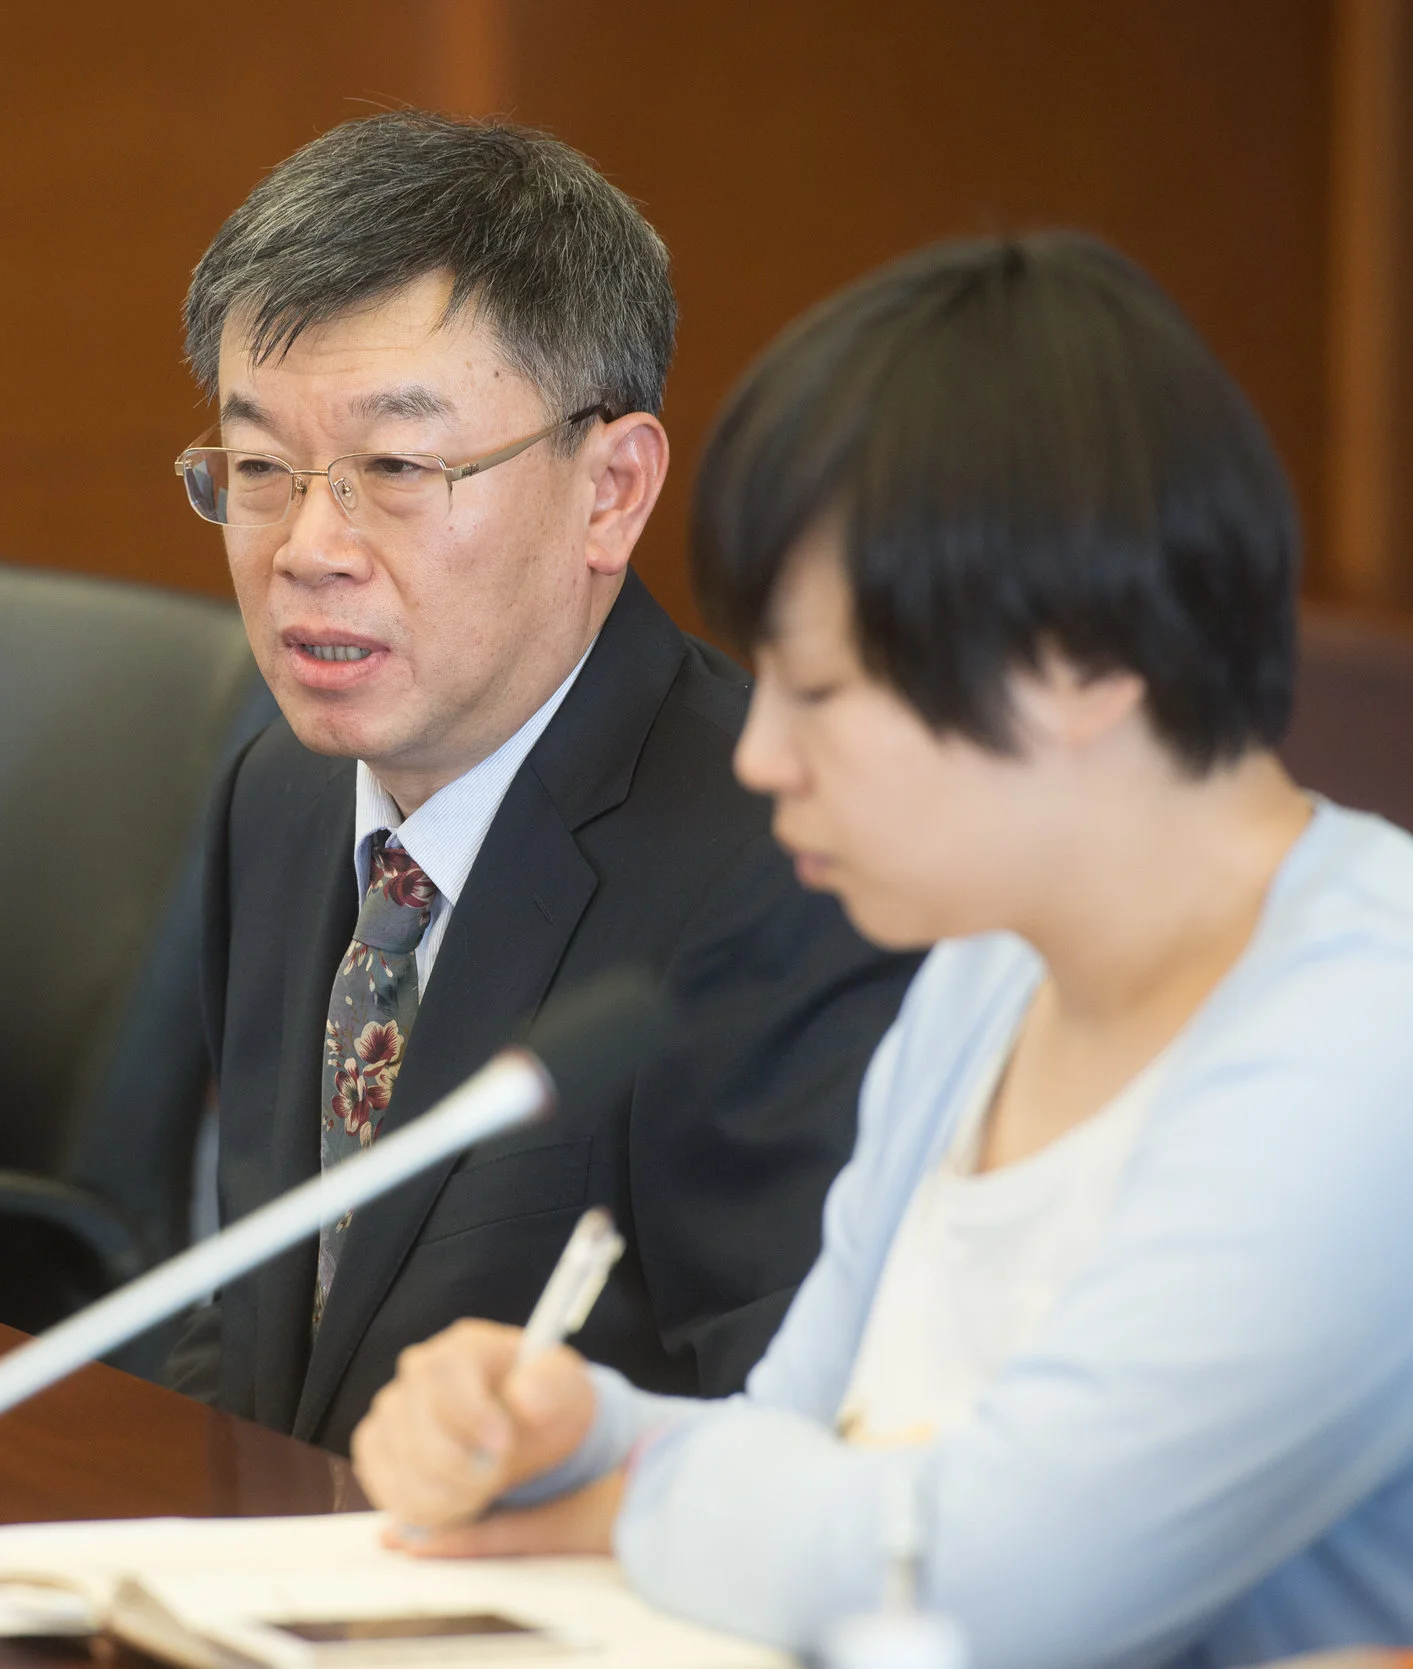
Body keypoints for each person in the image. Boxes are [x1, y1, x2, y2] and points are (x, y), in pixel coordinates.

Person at [350, 232, 1413, 1665]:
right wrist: (581, 1437)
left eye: (822, 691)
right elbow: (811, 1442)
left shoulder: (1381, 1047)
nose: (762, 754)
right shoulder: (992, 969)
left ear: (1080, 662)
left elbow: (976, 1587)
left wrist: (629, 1501)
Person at [162, 112, 916, 1454]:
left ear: (611, 490)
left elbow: (786, 1439)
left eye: (396, 469)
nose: (308, 547)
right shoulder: (276, 799)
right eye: (263, 468)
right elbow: (265, 1334)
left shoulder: (780, 870)